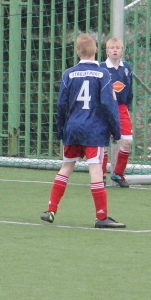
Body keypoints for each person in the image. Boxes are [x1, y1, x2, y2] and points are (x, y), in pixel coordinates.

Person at [41, 33, 125, 228]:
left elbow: (61, 104)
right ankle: (102, 217)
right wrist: (116, 131)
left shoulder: (68, 74)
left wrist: (61, 129)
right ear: (96, 50)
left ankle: (51, 210)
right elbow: (108, 104)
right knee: (95, 169)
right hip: (93, 130)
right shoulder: (103, 74)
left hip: (73, 128)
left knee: (66, 167)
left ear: (77, 52)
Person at [104, 37, 134, 188]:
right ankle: (100, 174)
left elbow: (130, 90)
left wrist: (128, 106)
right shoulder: (101, 68)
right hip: (105, 109)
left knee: (128, 141)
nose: (115, 50)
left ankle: (118, 173)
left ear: (122, 51)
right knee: (102, 142)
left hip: (121, 108)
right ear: (107, 51)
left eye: (118, 47)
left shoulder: (126, 68)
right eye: (112, 47)